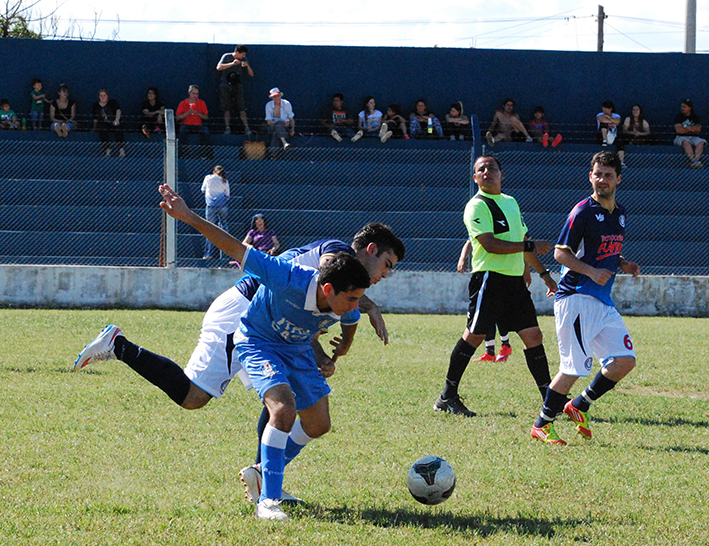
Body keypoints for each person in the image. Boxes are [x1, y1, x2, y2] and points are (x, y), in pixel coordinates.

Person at [74, 186, 402, 520]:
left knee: (303, 412)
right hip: (244, 317)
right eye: (386, 264)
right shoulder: (332, 259)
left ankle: (265, 476)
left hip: (285, 333)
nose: (385, 275)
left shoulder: (347, 294)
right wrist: (187, 216)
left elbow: (333, 312)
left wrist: (340, 342)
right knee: (196, 397)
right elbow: (307, 274)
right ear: (369, 250)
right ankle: (120, 346)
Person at [433, 153, 557, 417]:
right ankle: (447, 396)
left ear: (502, 174)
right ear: (475, 177)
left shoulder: (511, 202)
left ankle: (550, 399)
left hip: (514, 284)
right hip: (489, 280)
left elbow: (523, 242)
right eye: (481, 169)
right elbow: (490, 244)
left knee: (533, 336)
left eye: (491, 168)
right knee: (474, 337)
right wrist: (529, 246)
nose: (487, 172)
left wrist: (544, 274)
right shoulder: (476, 206)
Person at [531, 151, 639, 445]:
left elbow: (605, 249)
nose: (601, 179)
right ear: (590, 176)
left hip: (601, 302)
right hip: (576, 297)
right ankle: (542, 424)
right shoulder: (582, 211)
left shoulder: (621, 214)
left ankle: (579, 404)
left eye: (607, 174)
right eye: (597, 174)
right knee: (573, 368)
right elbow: (560, 253)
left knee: (624, 361)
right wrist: (591, 271)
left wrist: (623, 264)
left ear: (618, 178)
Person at [456, 239, 512, 362]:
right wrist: (462, 258)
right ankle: (490, 351)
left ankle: (505, 345)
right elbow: (469, 241)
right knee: (485, 314)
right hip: (481, 274)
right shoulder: (483, 224)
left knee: (498, 312)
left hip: (500, 273)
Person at [216, 44, 253, 135]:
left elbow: (251, 74)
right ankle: (227, 127)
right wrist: (232, 64)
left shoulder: (244, 60)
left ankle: (246, 128)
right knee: (226, 107)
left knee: (242, 107)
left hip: (237, 86)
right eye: (242, 54)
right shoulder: (226, 56)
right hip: (225, 85)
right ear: (237, 53)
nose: (244, 56)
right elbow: (218, 67)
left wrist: (247, 66)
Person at [201, 165, 230, 259]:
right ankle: (225, 253)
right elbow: (227, 195)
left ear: (214, 171)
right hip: (222, 205)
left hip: (211, 206)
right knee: (224, 227)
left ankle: (209, 253)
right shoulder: (225, 181)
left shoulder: (208, 178)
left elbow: (203, 190)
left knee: (210, 228)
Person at [92, 89, 125, 158]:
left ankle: (121, 151)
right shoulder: (96, 105)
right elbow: (95, 118)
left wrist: (116, 120)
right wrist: (94, 128)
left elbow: (118, 111)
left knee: (118, 129)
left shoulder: (112, 103)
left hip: (113, 122)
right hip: (104, 123)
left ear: (107, 96)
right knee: (102, 129)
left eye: (104, 95)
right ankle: (108, 151)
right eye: (101, 96)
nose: (102, 97)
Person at [673, 98, 705, 169]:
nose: (682, 108)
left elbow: (698, 129)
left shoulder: (695, 117)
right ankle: (693, 160)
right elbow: (679, 131)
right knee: (686, 143)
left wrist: (685, 126)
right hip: (681, 137)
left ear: (689, 108)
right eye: (681, 106)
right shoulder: (678, 117)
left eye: (684, 107)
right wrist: (692, 129)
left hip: (694, 137)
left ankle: (697, 160)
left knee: (701, 142)